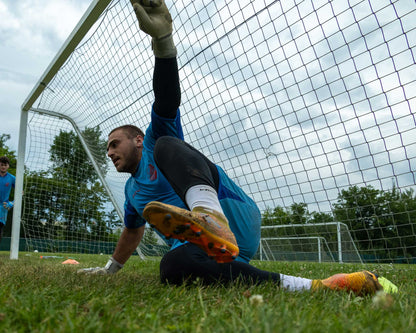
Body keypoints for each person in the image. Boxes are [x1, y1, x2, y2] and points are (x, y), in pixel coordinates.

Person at [79, 0, 395, 296]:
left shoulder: (150, 142)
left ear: (135, 140)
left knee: (166, 144)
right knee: (173, 268)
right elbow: (132, 233)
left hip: (235, 216)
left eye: (113, 144)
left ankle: (208, 214)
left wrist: (163, 43)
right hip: (210, 249)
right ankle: (317, 286)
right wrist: (109, 270)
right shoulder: (133, 193)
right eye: (107, 149)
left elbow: (166, 100)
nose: (109, 152)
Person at [0, 156, 15, 243]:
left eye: (5, 165)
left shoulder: (12, 178)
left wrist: (12, 203)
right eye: (1, 165)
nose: (3, 167)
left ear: (8, 166)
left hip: (3, 207)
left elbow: (21, 192)